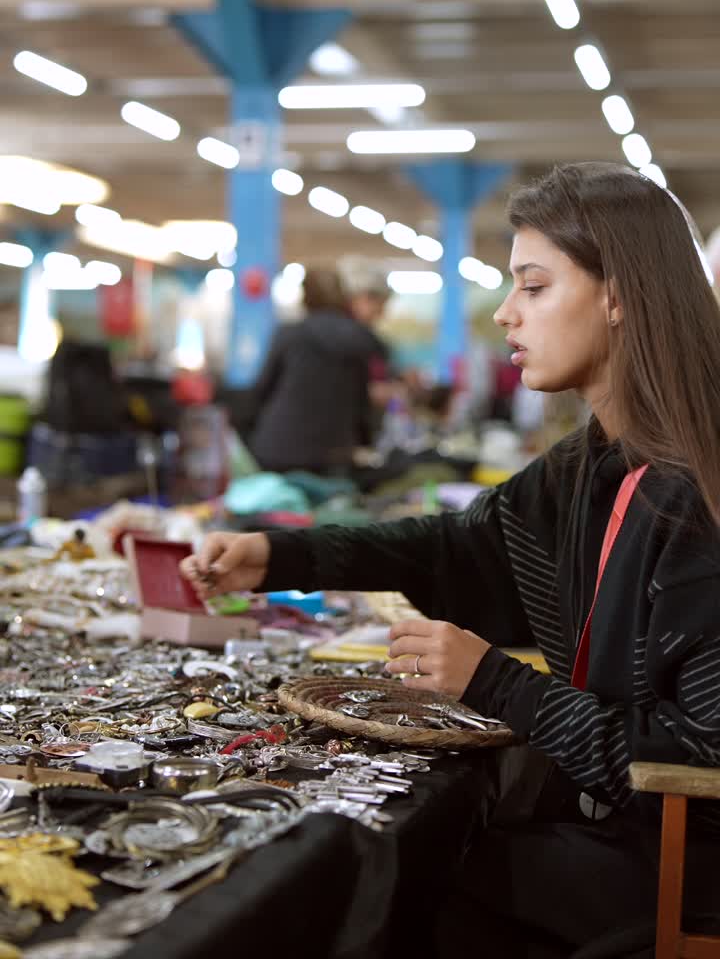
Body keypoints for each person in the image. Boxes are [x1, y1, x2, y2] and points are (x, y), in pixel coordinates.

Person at [181, 163, 720, 956]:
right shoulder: (592, 468)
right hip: (613, 833)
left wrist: (497, 683)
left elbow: (696, 759)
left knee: (397, 878)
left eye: (533, 287)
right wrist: (276, 554)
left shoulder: (694, 497)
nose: (505, 314)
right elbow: (453, 545)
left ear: (619, 296)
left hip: (679, 876)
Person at [244, 267, 379, 474]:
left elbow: (263, 390)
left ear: (305, 297)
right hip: (334, 453)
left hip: (278, 447)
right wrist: (366, 442)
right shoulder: (360, 339)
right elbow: (362, 402)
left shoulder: (290, 334)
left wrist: (248, 432)